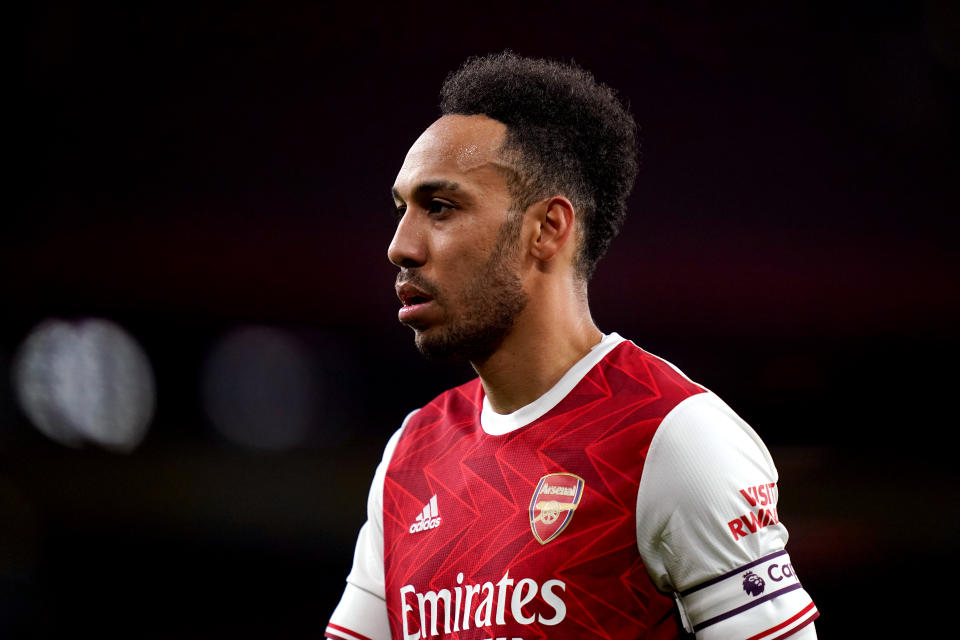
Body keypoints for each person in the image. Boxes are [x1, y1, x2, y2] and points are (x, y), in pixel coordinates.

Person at [325, 52, 818, 640]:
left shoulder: (673, 436)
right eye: (401, 209)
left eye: (440, 207)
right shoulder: (411, 455)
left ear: (548, 229)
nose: (400, 246)